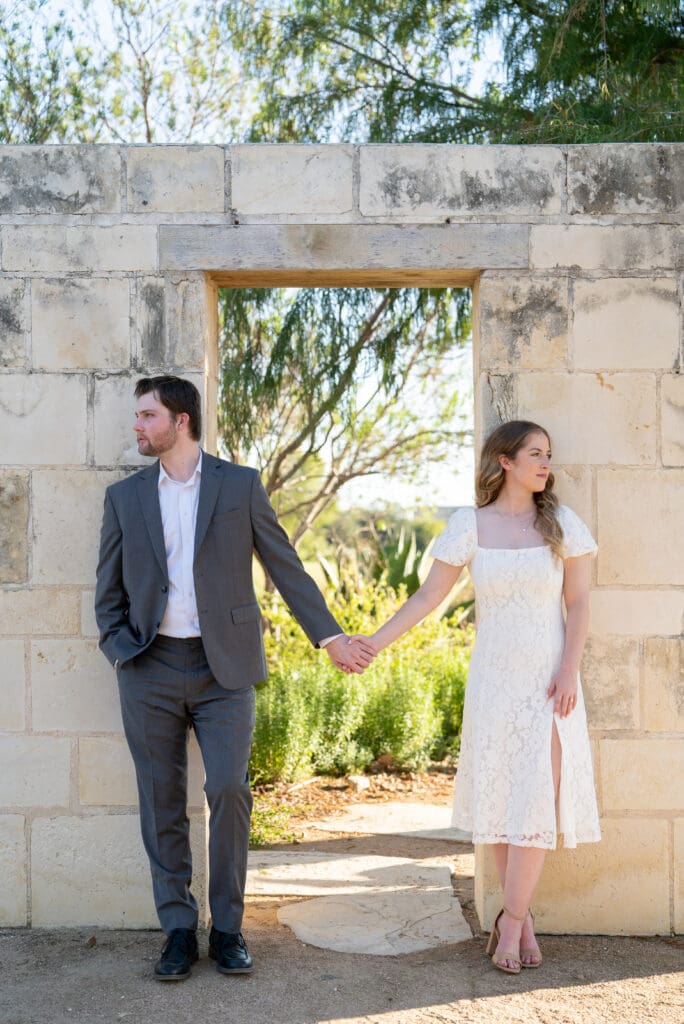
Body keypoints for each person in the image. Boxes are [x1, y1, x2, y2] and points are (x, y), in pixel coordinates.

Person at [95, 375, 374, 981]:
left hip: (226, 669)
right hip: (149, 666)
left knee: (228, 789)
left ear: (181, 421)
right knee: (160, 799)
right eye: (138, 417)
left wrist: (330, 638)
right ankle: (176, 929)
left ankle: (226, 929)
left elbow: (285, 566)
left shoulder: (239, 485)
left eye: (147, 416)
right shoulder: (125, 497)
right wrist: (121, 650)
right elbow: (107, 589)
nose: (138, 427)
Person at [355, 420, 601, 974]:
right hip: (493, 682)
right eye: (534, 453)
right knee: (499, 802)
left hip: (550, 683)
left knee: (536, 799)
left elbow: (580, 604)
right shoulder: (469, 524)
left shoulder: (563, 523)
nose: (545, 463)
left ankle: (510, 921)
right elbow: (427, 597)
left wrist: (569, 670)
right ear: (505, 461)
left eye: (548, 454)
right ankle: (519, 917)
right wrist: (373, 642)